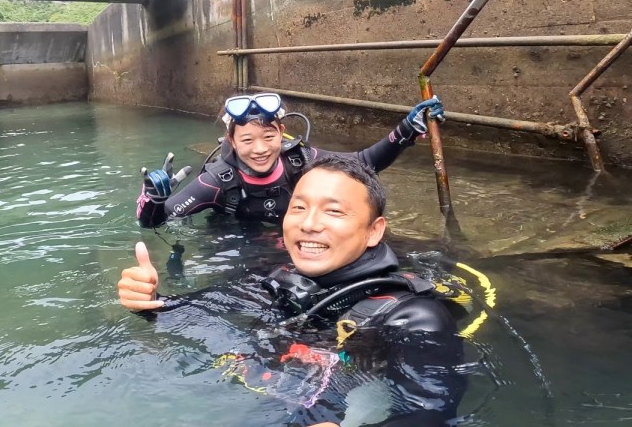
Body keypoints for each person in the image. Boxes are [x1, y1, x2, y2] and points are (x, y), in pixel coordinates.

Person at [119, 154, 465, 426]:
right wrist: (148, 303)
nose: (309, 224)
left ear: (374, 231)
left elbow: (429, 414)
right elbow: (198, 313)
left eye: (333, 211)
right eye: (298, 207)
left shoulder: (415, 318)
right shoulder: (279, 281)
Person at [136, 92, 444, 229]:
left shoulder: (302, 159)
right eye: (247, 140)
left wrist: (405, 131)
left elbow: (364, 163)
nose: (260, 149)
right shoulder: (216, 182)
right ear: (231, 140)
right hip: (240, 249)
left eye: (268, 137)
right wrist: (152, 200)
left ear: (282, 133)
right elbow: (155, 222)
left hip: (299, 238)